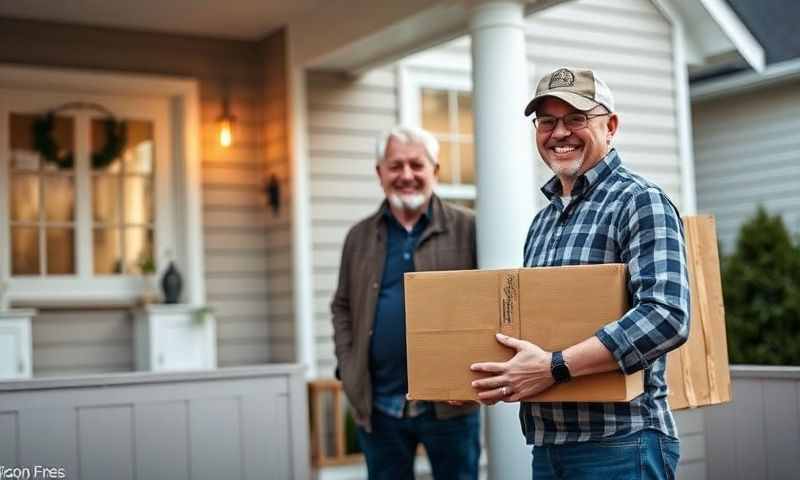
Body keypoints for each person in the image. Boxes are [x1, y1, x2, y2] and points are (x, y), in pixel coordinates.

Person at [470, 67, 690, 479]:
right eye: (547, 122)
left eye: (576, 119)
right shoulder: (543, 223)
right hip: (549, 448)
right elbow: (537, 334)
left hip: (622, 444)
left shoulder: (640, 202)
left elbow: (667, 316)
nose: (559, 133)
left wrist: (554, 366)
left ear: (610, 127)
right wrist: (477, 377)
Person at [331, 125, 481, 480]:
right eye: (395, 166)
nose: (407, 175)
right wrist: (348, 366)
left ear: (435, 171)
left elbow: (489, 304)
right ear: (379, 173)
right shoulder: (359, 236)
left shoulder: (469, 228)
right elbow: (342, 306)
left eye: (417, 165)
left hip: (449, 406)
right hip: (379, 405)